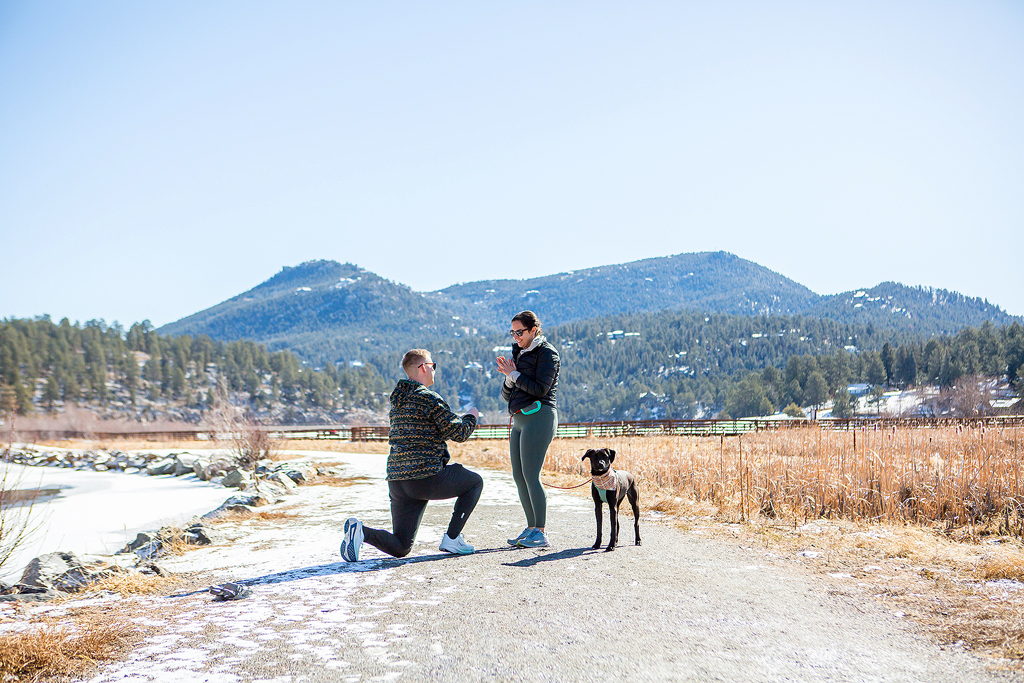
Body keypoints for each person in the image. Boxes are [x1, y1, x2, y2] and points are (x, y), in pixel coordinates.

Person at [340, 349, 482, 561]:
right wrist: (472, 417)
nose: (434, 370)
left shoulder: (397, 401)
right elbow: (459, 433)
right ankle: (452, 538)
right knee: (474, 483)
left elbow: (427, 428)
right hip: (425, 476)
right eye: (433, 366)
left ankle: (361, 532)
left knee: (401, 547)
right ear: (423, 367)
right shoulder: (428, 398)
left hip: (398, 481)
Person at [496, 310, 559, 548]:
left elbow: (540, 388)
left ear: (534, 330)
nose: (516, 337)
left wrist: (514, 374)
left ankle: (541, 532)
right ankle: (531, 527)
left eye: (519, 332)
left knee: (531, 476)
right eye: (512, 332)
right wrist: (509, 378)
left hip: (539, 417)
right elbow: (507, 395)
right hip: (520, 419)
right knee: (518, 476)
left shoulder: (548, 353)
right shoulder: (519, 353)